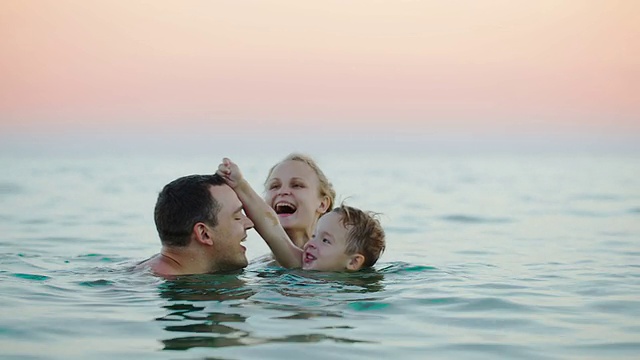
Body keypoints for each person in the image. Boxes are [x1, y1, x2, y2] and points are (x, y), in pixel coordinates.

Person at [218, 158, 386, 271]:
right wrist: (239, 184)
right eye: (274, 186)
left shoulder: (301, 265)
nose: (310, 245)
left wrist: (240, 185)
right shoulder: (295, 263)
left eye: (297, 185)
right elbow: (271, 228)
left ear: (354, 262)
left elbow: (271, 228)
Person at [137, 174, 254, 276]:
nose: (250, 224)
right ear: (204, 234)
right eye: (237, 217)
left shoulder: (147, 271)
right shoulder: (154, 283)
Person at [263, 153, 336, 250]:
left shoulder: (336, 262)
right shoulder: (254, 264)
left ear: (323, 204)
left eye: (297, 185)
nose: (282, 192)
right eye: (274, 186)